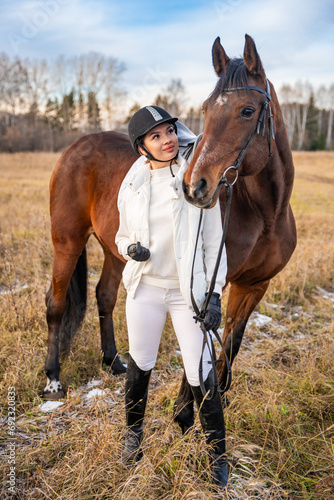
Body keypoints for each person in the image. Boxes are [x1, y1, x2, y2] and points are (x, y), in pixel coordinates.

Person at [115, 105, 229, 487]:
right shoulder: (131, 182)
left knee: (201, 371)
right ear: (141, 147)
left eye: (168, 132)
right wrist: (130, 249)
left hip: (187, 292)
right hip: (146, 287)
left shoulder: (193, 177)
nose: (166, 141)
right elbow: (121, 235)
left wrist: (213, 294)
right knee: (140, 363)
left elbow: (213, 240)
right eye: (155, 136)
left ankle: (217, 455)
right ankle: (133, 438)